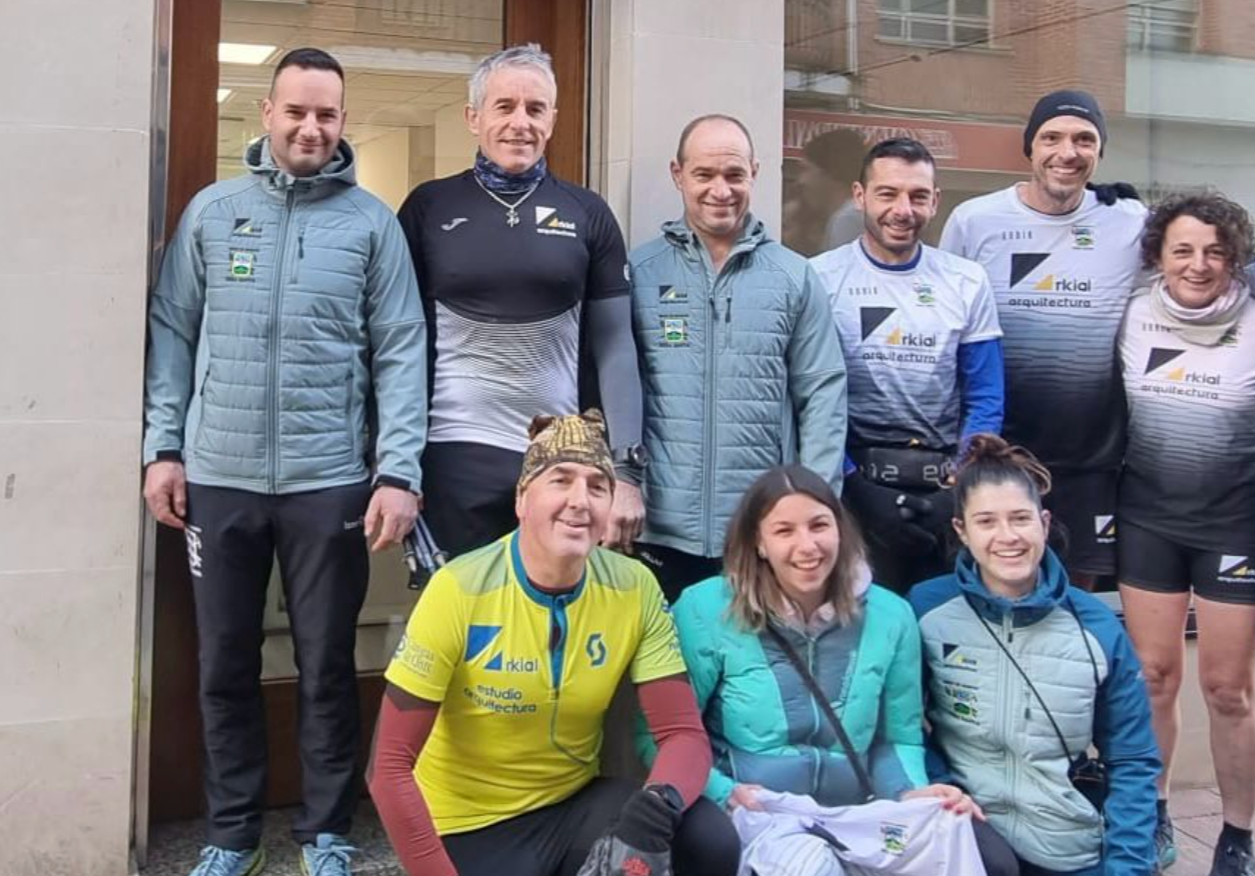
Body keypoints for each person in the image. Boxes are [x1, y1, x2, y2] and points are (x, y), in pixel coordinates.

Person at [141, 47, 426, 876]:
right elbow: (172, 335)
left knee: (327, 662)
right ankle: (232, 834)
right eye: (296, 111)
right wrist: (164, 448)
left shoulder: (371, 224)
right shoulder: (212, 212)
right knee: (224, 662)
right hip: (217, 476)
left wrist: (398, 470)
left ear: (343, 122)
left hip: (328, 478)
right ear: (265, 113)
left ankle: (328, 831)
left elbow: (402, 353)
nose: (310, 127)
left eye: (326, 114)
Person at [367, 411, 738, 876]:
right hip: (469, 827)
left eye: (597, 486)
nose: (579, 501)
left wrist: (657, 804)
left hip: (571, 807)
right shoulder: (459, 589)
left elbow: (682, 734)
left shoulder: (634, 586)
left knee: (707, 839)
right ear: (522, 499)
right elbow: (389, 769)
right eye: (560, 481)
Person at [646, 465, 991, 875]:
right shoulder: (706, 610)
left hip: (856, 809)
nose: (807, 545)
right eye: (784, 531)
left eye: (818, 525)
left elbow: (896, 738)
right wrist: (724, 791)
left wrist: (911, 792)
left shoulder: (891, 616)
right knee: (813, 866)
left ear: (840, 530)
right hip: (756, 809)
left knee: (949, 830)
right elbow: (661, 735)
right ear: (759, 542)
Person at [398, 44, 646, 559]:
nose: (520, 123)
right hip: (452, 455)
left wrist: (623, 469)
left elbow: (616, 346)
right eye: (504, 106)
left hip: (559, 456)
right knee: (460, 623)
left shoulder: (587, 212)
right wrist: (395, 464)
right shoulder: (430, 206)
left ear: (552, 119)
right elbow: (397, 341)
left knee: (553, 621)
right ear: (473, 117)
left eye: (536, 109)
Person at [910, 436, 1162, 876]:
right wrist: (940, 784)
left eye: (1020, 519)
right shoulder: (925, 611)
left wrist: (1128, 868)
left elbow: (1132, 760)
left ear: (1044, 523)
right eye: (986, 521)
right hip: (966, 842)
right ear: (961, 531)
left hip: (1067, 849)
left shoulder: (1097, 630)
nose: (1007, 537)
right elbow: (903, 726)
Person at [1116, 193, 1255, 875]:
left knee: (1228, 688)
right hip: (1148, 516)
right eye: (1183, 249)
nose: (1199, 263)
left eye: (1215, 251)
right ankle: (1155, 810)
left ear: (1235, 255)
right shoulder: (1133, 312)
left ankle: (1238, 836)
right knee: (1153, 677)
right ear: (1159, 254)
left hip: (1236, 521)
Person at [629, 114, 848, 598]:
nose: (720, 190)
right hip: (658, 531)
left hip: (761, 531)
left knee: (754, 671)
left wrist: (811, 508)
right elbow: (617, 391)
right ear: (677, 174)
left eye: (734, 175)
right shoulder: (639, 271)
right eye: (704, 175)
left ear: (755, 172)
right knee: (670, 672)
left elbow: (823, 396)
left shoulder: (794, 276)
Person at [939, 90, 1146, 590]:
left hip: (1091, 463)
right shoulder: (975, 220)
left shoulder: (1132, 222)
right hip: (996, 455)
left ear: (1099, 153)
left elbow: (1194, 268)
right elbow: (946, 328)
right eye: (1051, 138)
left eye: (1084, 139)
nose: (1067, 152)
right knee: (989, 599)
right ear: (1029, 147)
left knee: (1075, 606)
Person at [811, 137, 1004, 592]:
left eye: (918, 196)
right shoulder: (818, 278)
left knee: (941, 638)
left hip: (945, 495)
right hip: (856, 493)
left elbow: (986, 396)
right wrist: (856, 487)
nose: (903, 209)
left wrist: (959, 484)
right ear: (860, 196)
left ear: (935, 201)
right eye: (888, 194)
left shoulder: (966, 281)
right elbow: (806, 398)